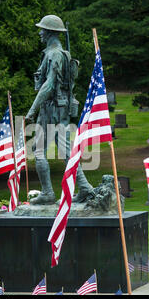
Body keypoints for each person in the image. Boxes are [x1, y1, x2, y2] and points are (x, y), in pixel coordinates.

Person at [24, 14, 94, 205]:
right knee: (65, 151)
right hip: (60, 107)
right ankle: (85, 187)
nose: (40, 33)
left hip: (51, 107)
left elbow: (48, 85)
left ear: (49, 32)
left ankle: (47, 192)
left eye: (42, 29)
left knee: (38, 150)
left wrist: (32, 110)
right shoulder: (60, 53)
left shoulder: (54, 54)